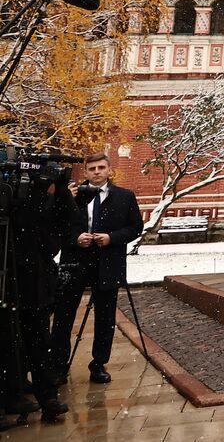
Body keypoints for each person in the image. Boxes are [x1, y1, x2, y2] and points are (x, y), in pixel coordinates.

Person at [49, 153, 141, 386]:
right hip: (75, 262)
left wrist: (111, 238)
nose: (97, 172)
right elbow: (56, 225)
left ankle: (98, 364)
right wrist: (74, 238)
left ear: (110, 170)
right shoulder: (72, 195)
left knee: (105, 317)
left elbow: (135, 227)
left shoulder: (124, 196)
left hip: (107, 263)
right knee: (63, 316)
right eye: (92, 168)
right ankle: (58, 366)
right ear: (86, 172)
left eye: (101, 167)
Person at [8, 162, 73, 422]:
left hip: (36, 281)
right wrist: (37, 189)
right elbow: (21, 223)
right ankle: (14, 393)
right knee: (13, 343)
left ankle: (48, 396)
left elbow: (66, 223)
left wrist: (62, 190)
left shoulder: (43, 196)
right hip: (11, 279)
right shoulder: (19, 197)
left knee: (39, 342)